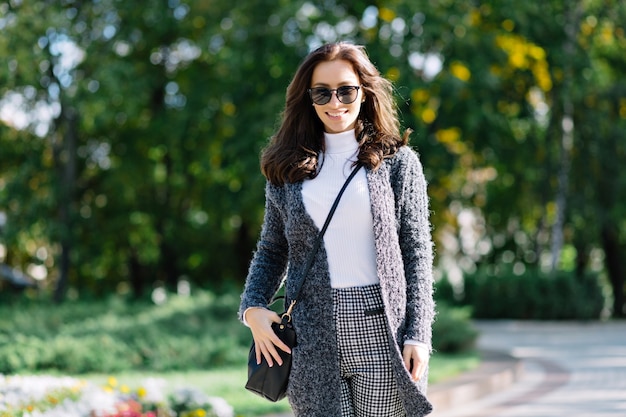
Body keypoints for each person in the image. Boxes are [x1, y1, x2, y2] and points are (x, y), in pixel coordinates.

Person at [239, 42, 435, 417]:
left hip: (383, 331)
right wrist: (251, 307)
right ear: (308, 98)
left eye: (346, 89)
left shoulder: (398, 164)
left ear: (364, 91)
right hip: (312, 335)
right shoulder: (286, 169)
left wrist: (418, 334)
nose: (335, 101)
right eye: (322, 92)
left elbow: (417, 253)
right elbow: (272, 249)